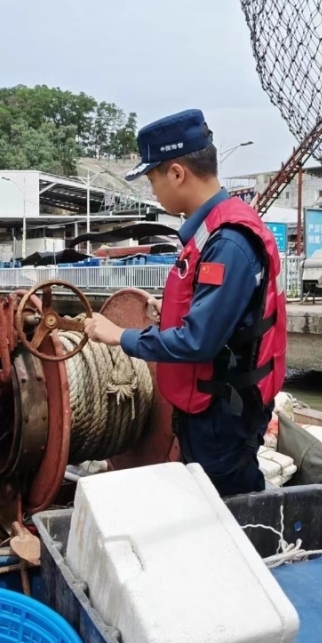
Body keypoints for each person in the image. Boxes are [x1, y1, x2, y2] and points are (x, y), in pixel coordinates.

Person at [84, 109, 287, 496]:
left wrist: (119, 336)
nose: (152, 190)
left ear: (177, 173)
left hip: (223, 416)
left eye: (152, 178)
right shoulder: (213, 228)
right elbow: (222, 311)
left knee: (230, 508)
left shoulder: (227, 242)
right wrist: (171, 309)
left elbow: (198, 342)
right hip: (212, 406)